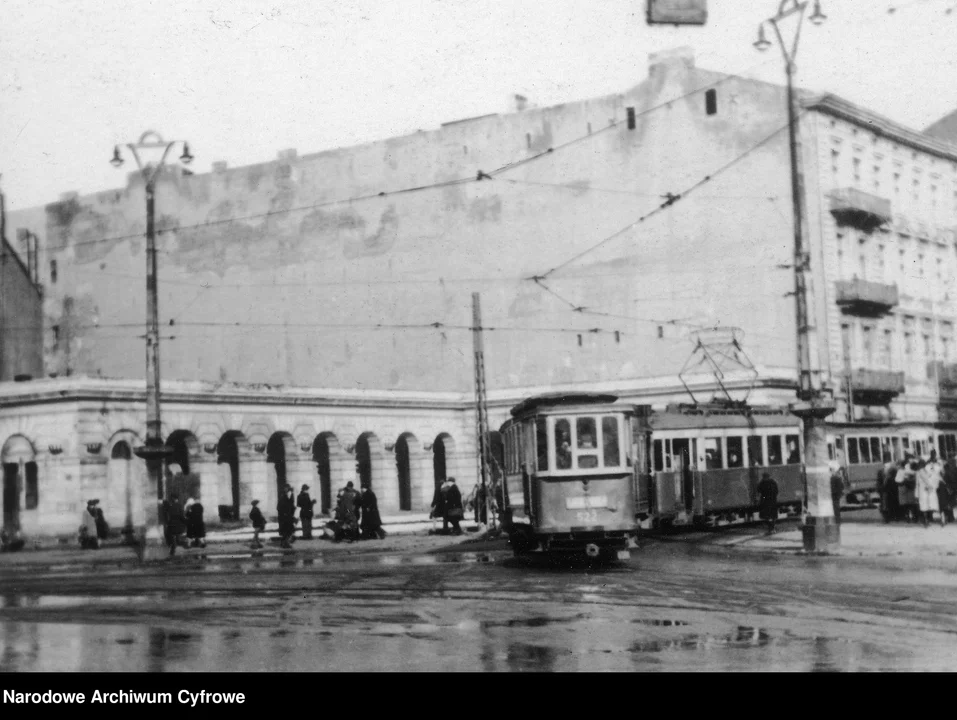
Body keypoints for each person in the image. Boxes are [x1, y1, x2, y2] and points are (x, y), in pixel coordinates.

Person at [917, 451, 943, 528]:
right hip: (925, 489)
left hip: (924, 490)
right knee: (925, 505)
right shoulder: (921, 471)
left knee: (926, 505)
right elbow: (926, 479)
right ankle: (926, 521)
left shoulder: (922, 470)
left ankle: (926, 521)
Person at [277, 483, 297, 548]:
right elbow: (279, 506)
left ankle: (284, 543)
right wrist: (284, 512)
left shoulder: (289, 495)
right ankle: (285, 543)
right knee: (286, 530)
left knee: (288, 530)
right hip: (284, 516)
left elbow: (291, 504)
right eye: (285, 488)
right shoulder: (283, 496)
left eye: (287, 488)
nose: (285, 489)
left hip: (288, 515)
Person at [829, 460, 847, 525]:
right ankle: (837, 521)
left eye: (831, 469)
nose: (830, 471)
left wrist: (838, 494)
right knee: (835, 509)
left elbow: (840, 487)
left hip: (834, 495)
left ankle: (837, 521)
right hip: (834, 495)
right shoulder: (835, 477)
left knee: (835, 509)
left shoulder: (836, 477)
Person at [943, 453, 957, 523]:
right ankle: (950, 517)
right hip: (953, 487)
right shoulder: (954, 469)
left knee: (950, 502)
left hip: (949, 488)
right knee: (951, 502)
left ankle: (950, 517)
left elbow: (945, 480)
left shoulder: (947, 470)